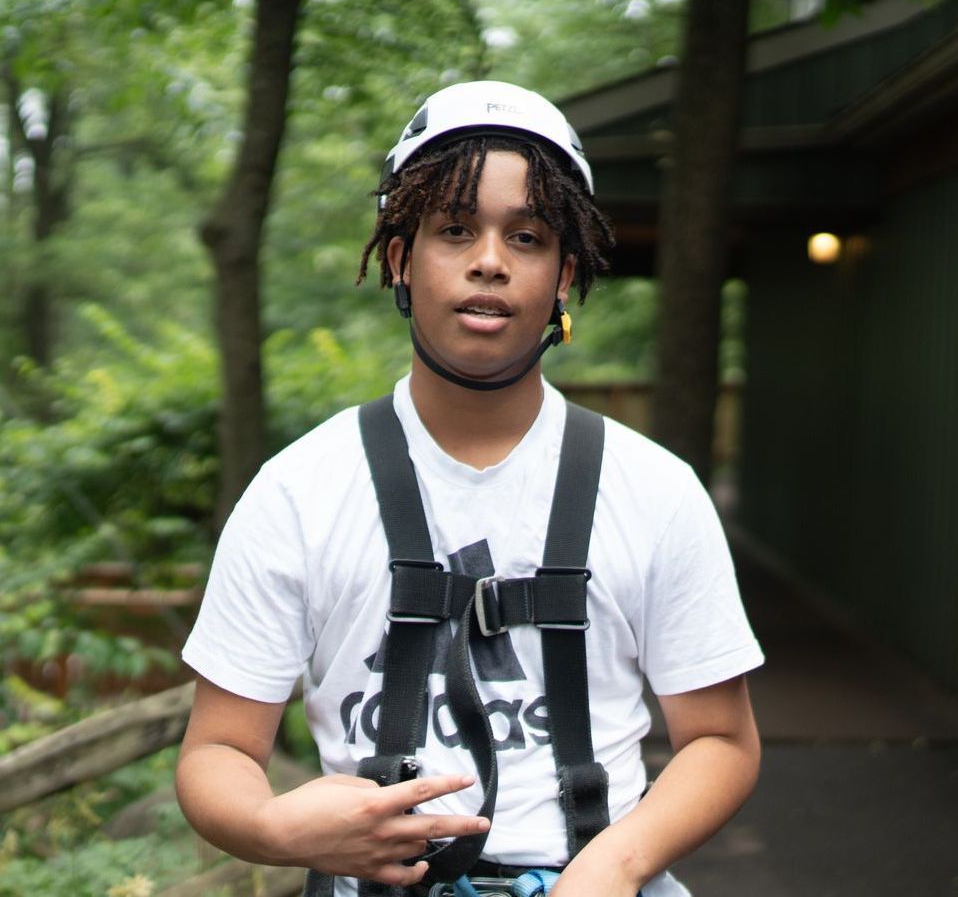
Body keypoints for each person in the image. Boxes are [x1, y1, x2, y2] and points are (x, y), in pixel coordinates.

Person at [176, 80, 764, 897]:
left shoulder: (654, 491)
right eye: (455, 229)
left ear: (563, 277)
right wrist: (278, 826)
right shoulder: (298, 492)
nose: (489, 259)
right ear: (400, 260)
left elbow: (723, 740)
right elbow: (216, 752)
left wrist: (617, 864)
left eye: (526, 236)